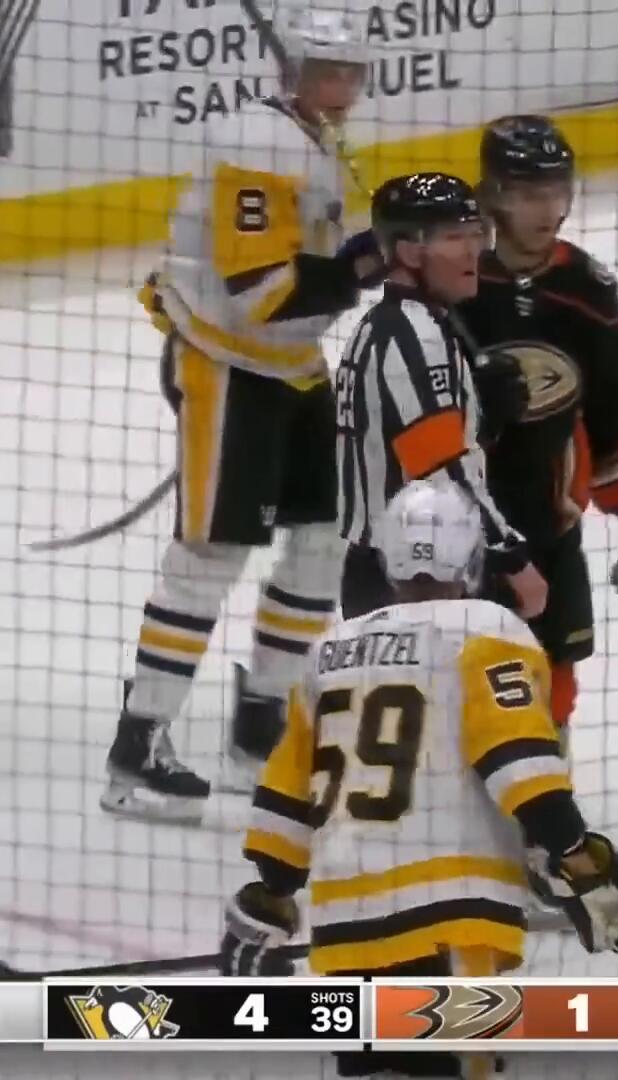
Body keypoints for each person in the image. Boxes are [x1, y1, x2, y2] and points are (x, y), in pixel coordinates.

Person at [220, 478, 618, 1080]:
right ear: (472, 560)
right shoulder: (489, 630)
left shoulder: (330, 651)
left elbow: (287, 789)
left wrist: (271, 894)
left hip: (347, 925)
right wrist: (580, 859)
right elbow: (518, 761)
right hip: (452, 919)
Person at [103, 4, 381, 819]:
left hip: (293, 367)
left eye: (351, 72)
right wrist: (370, 263)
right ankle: (138, 750)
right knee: (210, 555)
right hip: (229, 366)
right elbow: (260, 291)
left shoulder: (312, 136)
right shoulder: (256, 145)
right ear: (292, 71)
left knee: (325, 538)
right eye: (326, 71)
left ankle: (260, 731)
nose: (341, 86)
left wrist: (380, 245)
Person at [453, 114, 618, 736]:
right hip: (449, 529)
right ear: (493, 195)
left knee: (550, 679)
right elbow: (398, 402)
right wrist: (470, 404)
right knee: (450, 679)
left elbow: (612, 418)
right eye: (530, 193)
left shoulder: (587, 291)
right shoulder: (451, 278)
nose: (548, 209)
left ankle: (542, 783)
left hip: (546, 523)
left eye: (557, 190)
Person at [333, 171, 547, 623]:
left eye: (476, 234)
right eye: (453, 238)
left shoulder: (391, 325)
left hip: (392, 566)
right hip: (415, 575)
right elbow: (440, 465)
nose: (473, 251)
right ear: (410, 252)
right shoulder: (412, 336)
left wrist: (477, 419)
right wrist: (510, 555)